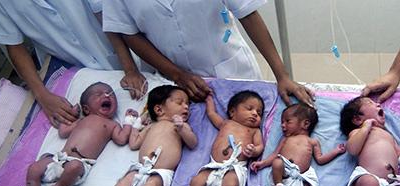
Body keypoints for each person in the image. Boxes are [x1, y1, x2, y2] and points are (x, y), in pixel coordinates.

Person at [102, 1, 315, 107]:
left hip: (230, 68)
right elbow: (129, 32)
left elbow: (248, 14)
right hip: (170, 80)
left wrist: (282, 75)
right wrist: (177, 75)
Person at [0, 0, 146, 127]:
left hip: (112, 52)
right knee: (80, 125)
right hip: (68, 72)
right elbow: (14, 46)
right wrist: (42, 95)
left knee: (142, 110)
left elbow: (103, 14)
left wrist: (130, 69)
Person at [18, 82, 133, 186]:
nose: (106, 95)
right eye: (98, 94)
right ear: (87, 109)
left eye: (110, 95)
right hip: (59, 159)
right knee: (34, 168)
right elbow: (63, 132)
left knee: (74, 166)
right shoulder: (81, 120)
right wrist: (73, 114)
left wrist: (128, 122)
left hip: (80, 164)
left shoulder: (112, 124)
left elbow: (122, 139)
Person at [101, 85, 197, 186]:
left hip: (161, 172)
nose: (186, 107)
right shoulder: (151, 126)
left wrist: (182, 128)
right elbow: (134, 144)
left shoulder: (181, 126)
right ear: (159, 110)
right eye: (180, 102)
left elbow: (193, 143)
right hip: (141, 169)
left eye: (188, 104)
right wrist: (135, 124)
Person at [250, 103, 346, 186]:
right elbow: (274, 155)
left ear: (305, 124)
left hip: (300, 177)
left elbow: (320, 160)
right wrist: (262, 163)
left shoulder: (312, 142)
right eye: (282, 122)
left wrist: (336, 152)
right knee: (277, 162)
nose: (283, 125)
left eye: (287, 121)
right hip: (283, 175)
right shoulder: (285, 139)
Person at [190, 90, 265, 186]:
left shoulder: (254, 131)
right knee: (195, 182)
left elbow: (260, 146)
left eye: (259, 113)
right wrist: (209, 101)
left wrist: (254, 151)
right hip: (214, 166)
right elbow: (211, 114)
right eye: (249, 109)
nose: (255, 113)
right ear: (232, 112)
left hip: (235, 167)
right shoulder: (226, 123)